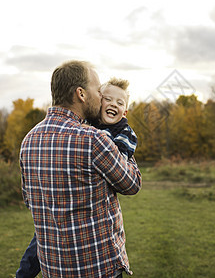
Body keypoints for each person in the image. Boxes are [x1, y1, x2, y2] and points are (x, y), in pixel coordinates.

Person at [18, 61, 142, 278]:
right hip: (96, 269)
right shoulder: (94, 139)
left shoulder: (29, 140)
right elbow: (131, 184)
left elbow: (31, 202)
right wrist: (123, 138)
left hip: (53, 270)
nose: (101, 99)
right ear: (81, 94)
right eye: (98, 91)